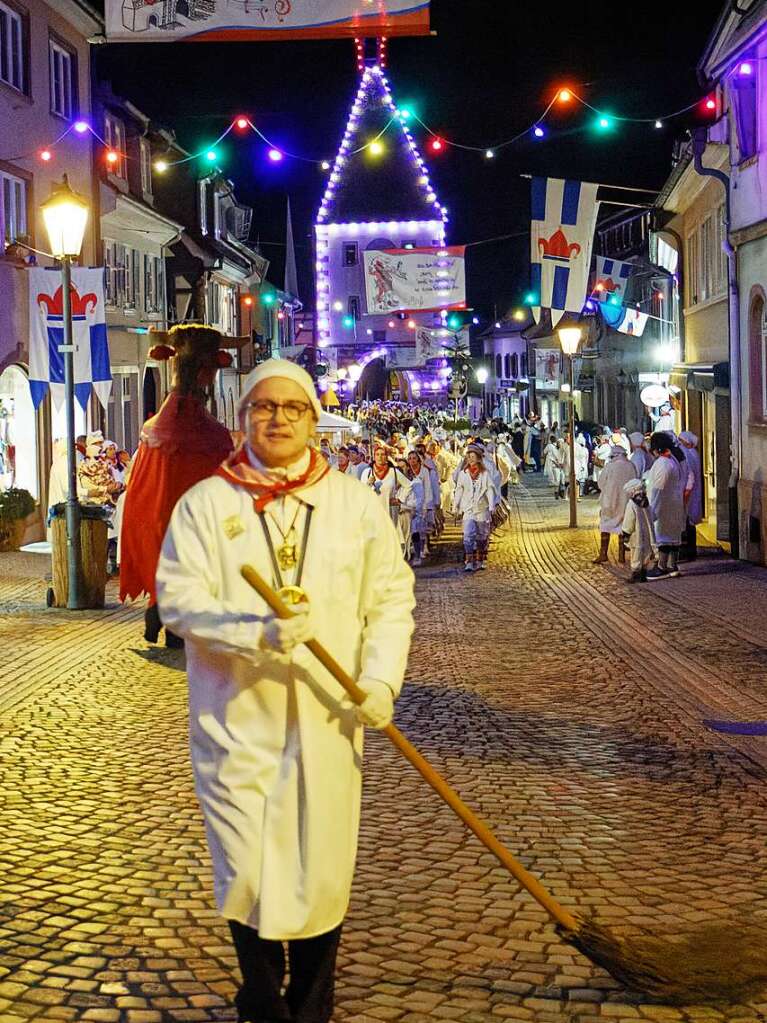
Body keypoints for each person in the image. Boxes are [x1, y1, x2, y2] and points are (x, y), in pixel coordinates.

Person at [156, 359, 415, 1023]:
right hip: (237, 718)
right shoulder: (207, 504)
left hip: (328, 722)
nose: (276, 418)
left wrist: (381, 676)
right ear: (245, 416)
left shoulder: (354, 505)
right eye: (263, 407)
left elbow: (389, 599)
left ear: (311, 420)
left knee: (321, 868)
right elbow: (177, 601)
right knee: (249, 866)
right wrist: (251, 630)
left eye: (291, 408)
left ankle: (309, 1005)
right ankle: (261, 997)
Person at [120, 325, 235, 647]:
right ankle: (172, 623)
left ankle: (160, 612)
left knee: (162, 544)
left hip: (159, 509)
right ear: (208, 370)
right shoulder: (214, 439)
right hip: (191, 513)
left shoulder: (154, 434)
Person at [644, 431, 686, 580]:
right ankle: (672, 565)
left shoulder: (663, 463)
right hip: (673, 503)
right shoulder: (673, 459)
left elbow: (658, 488)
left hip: (663, 506)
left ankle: (662, 566)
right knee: (672, 536)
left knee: (663, 536)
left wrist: (651, 509)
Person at [452, 444, 499, 572]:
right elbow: (459, 490)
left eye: (473, 456)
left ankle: (480, 558)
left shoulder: (484, 473)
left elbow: (489, 489)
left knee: (482, 535)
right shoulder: (463, 473)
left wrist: (490, 505)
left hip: (481, 509)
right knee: (467, 535)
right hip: (468, 508)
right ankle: (469, 560)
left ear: (478, 458)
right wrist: (456, 505)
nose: (471, 459)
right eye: (469, 457)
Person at [593, 443, 636, 564]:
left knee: (605, 526)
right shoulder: (631, 466)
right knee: (623, 527)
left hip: (610, 502)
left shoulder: (610, 466)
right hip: (626, 502)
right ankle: (621, 556)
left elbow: (601, 483)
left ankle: (603, 554)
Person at [621, 478, 656, 583]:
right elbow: (653, 517)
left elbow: (629, 521)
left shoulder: (631, 505)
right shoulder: (646, 504)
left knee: (636, 554)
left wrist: (626, 532)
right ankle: (643, 573)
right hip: (647, 535)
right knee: (645, 553)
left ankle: (636, 574)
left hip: (637, 535)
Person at [678, 430, 703, 560]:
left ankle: (687, 551)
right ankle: (691, 550)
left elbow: (688, 474)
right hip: (693, 492)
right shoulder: (694, 453)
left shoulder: (686, 454)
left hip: (688, 492)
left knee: (686, 522)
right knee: (690, 522)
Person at [406, 449, 431, 566]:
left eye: (414, 458)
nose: (412, 461)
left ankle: (421, 549)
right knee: (413, 529)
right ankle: (415, 551)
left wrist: (426, 505)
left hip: (422, 504)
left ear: (418, 460)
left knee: (420, 528)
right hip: (409, 504)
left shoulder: (424, 471)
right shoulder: (406, 472)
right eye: (409, 458)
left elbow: (427, 488)